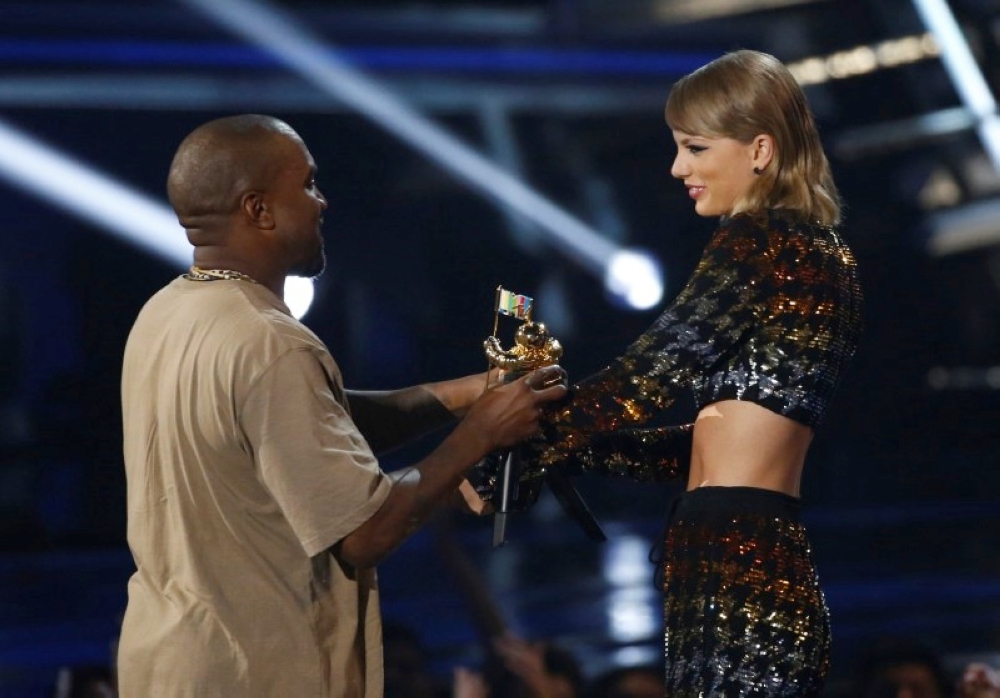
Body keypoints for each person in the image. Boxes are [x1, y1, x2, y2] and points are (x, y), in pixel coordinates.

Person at [116, 114, 567, 697]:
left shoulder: (166, 314)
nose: (322, 202)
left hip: (170, 665)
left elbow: (314, 425)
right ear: (258, 210)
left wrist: (463, 396)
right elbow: (364, 533)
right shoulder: (269, 341)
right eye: (307, 185)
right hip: (257, 673)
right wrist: (480, 433)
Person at [520, 49, 863, 696]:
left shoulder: (764, 239)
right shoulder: (818, 250)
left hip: (741, 569)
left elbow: (651, 372)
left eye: (696, 149)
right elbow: (710, 446)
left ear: (759, 150)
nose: (679, 168)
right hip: (741, 558)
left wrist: (524, 431)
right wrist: (579, 445)